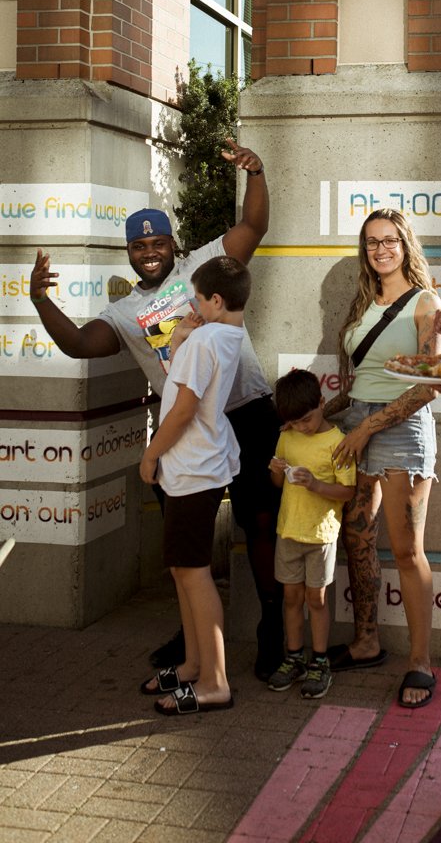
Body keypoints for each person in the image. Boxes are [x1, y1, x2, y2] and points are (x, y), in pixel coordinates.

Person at [28, 138, 284, 680]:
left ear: (173, 245)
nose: (149, 252)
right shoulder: (124, 312)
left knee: (260, 521)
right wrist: (41, 300)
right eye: (139, 246)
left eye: (158, 242)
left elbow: (253, 226)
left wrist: (256, 172)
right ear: (129, 252)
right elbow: (79, 343)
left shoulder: (203, 267)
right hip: (186, 432)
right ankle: (193, 636)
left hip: (245, 410)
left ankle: (273, 628)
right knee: (185, 544)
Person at [324, 208, 441, 709]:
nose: (381, 249)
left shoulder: (425, 303)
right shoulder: (362, 302)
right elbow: (360, 383)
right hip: (357, 423)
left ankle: (421, 662)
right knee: (357, 538)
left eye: (390, 240)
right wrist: (317, 416)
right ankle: (366, 642)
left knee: (407, 550)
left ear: (405, 244)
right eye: (372, 242)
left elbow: (429, 385)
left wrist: (368, 427)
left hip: (401, 429)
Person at [138, 256, 250, 714]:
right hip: (197, 467)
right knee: (184, 569)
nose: (193, 307)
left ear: (216, 300)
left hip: (192, 469)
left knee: (193, 572)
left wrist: (151, 453)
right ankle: (193, 664)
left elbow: (183, 409)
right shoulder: (220, 336)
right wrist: (179, 339)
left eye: (199, 300)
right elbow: (186, 387)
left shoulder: (207, 339)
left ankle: (214, 681)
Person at [265, 369, 356, 700]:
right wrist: (276, 471)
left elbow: (347, 491)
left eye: (307, 419)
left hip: (320, 535)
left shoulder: (337, 442)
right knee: (291, 598)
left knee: (316, 600)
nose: (303, 427)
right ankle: (294, 658)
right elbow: (277, 484)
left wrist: (316, 485)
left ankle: (319, 661)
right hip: (288, 531)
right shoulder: (287, 437)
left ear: (322, 402)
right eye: (295, 422)